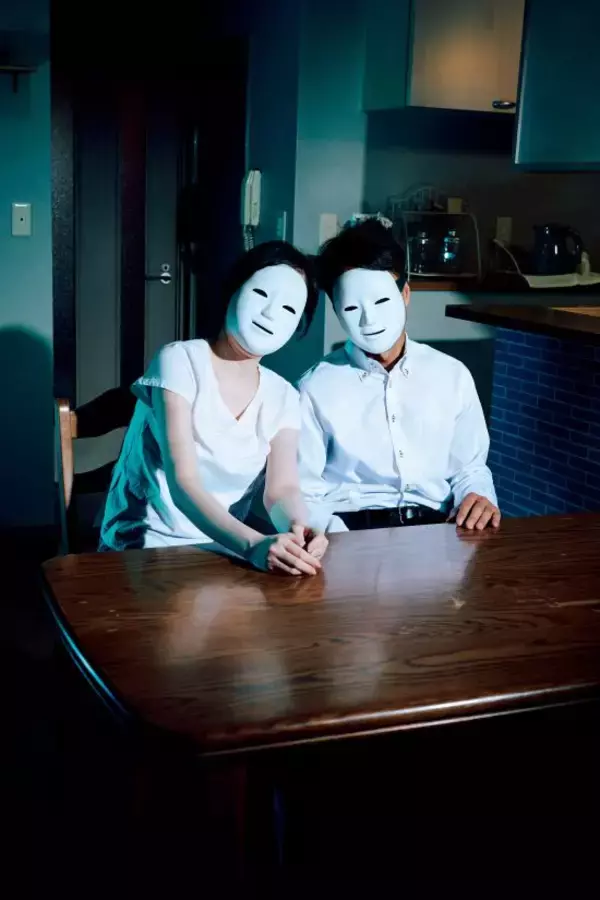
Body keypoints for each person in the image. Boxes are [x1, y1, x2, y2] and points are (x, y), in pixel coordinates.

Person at [100, 241, 328, 575]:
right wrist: (252, 545)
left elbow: (282, 488)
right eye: (261, 294)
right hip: (146, 549)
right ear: (234, 290)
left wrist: (299, 526)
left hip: (224, 552)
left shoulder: (283, 395)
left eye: (289, 309)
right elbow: (184, 482)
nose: (270, 314)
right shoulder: (179, 360)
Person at [298, 216, 500, 532]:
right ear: (336, 310)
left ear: (405, 294)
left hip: (437, 531)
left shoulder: (452, 375)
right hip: (350, 531)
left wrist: (478, 495)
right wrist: (332, 534)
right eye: (351, 308)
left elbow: (470, 468)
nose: (368, 320)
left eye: (381, 300)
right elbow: (302, 491)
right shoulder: (314, 387)